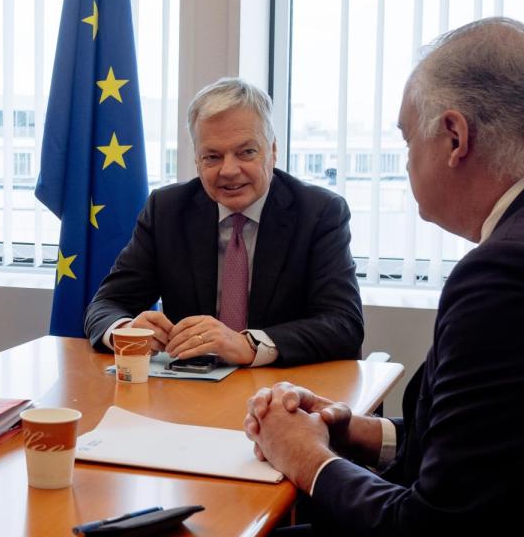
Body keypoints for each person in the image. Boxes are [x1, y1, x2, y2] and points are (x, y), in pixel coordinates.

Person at [245, 17, 524, 534]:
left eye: (408, 140)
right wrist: (357, 432)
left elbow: (432, 524)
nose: (407, 162)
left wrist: (305, 458)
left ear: (455, 137)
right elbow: (502, 445)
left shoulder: (517, 271)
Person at [85, 78, 363, 367]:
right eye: (213, 157)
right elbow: (106, 306)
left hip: (285, 394)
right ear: (196, 160)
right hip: (191, 390)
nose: (229, 170)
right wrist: (128, 332)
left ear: (273, 151)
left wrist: (249, 344)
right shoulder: (167, 210)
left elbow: (344, 324)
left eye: (246, 152)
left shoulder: (319, 212)